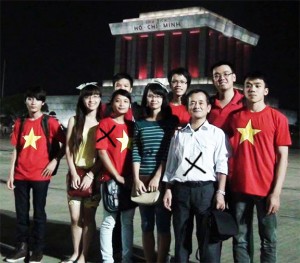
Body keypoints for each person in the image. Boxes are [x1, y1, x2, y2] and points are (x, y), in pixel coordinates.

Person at [227, 71, 291, 262]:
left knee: (268, 239)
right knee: (239, 238)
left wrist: (276, 193)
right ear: (243, 89)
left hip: (266, 189)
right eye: (248, 85)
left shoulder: (277, 118)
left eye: (257, 85)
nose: (252, 89)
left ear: (265, 91)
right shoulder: (234, 117)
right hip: (238, 187)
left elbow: (283, 157)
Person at [163, 88, 230, 263]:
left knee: (208, 239)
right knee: (181, 236)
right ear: (187, 107)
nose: (197, 106)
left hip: (206, 191)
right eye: (192, 102)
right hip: (181, 191)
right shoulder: (179, 135)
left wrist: (220, 193)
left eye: (201, 102)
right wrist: (168, 189)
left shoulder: (216, 134)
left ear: (208, 108)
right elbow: (171, 164)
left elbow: (222, 165)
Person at [6, 86, 66, 263]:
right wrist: (11, 174)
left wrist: (55, 161)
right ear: (26, 101)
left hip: (41, 176)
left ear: (42, 103)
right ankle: (22, 247)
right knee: (21, 213)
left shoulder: (51, 123)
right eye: (30, 99)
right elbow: (16, 149)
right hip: (20, 175)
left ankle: (38, 250)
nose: (33, 102)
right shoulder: (20, 122)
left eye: (37, 99)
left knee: (39, 214)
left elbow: (66, 144)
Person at [132, 82, 177, 263]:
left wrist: (159, 176)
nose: (154, 99)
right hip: (143, 178)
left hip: (163, 179)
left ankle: (161, 260)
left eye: (157, 96)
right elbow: (136, 150)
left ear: (163, 98)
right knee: (146, 224)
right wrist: (136, 178)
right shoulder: (140, 123)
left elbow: (169, 150)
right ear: (145, 98)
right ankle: (149, 260)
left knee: (164, 225)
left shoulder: (170, 122)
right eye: (150, 95)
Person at [62, 83, 103, 263]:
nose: (91, 100)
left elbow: (105, 154)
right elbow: (69, 150)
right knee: (74, 218)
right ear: (82, 99)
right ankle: (75, 252)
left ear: (100, 99)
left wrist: (91, 174)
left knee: (89, 218)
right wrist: (73, 172)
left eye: (95, 96)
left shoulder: (104, 122)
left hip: (93, 174)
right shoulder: (74, 120)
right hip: (75, 172)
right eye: (88, 96)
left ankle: (84, 255)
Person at [96, 89, 136, 263]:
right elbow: (102, 152)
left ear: (129, 105)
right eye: (118, 101)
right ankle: (107, 259)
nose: (121, 104)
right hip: (111, 179)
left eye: (125, 101)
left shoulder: (133, 126)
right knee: (109, 222)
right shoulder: (105, 123)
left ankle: (127, 258)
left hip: (129, 180)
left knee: (128, 222)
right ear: (111, 103)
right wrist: (117, 176)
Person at [208, 60, 244, 131]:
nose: (221, 78)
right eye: (217, 76)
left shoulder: (245, 102)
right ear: (213, 80)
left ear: (234, 77)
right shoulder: (207, 103)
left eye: (226, 74)